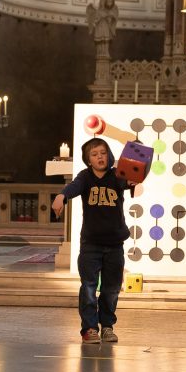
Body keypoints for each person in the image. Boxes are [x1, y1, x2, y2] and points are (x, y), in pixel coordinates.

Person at [52, 138, 134, 344]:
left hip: (115, 244)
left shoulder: (116, 175)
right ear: (88, 160)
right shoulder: (85, 177)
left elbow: (129, 181)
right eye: (95, 154)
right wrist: (61, 196)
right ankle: (89, 328)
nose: (100, 157)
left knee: (111, 289)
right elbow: (74, 187)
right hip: (91, 244)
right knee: (88, 287)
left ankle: (107, 327)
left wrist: (133, 179)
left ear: (109, 156)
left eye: (103, 153)